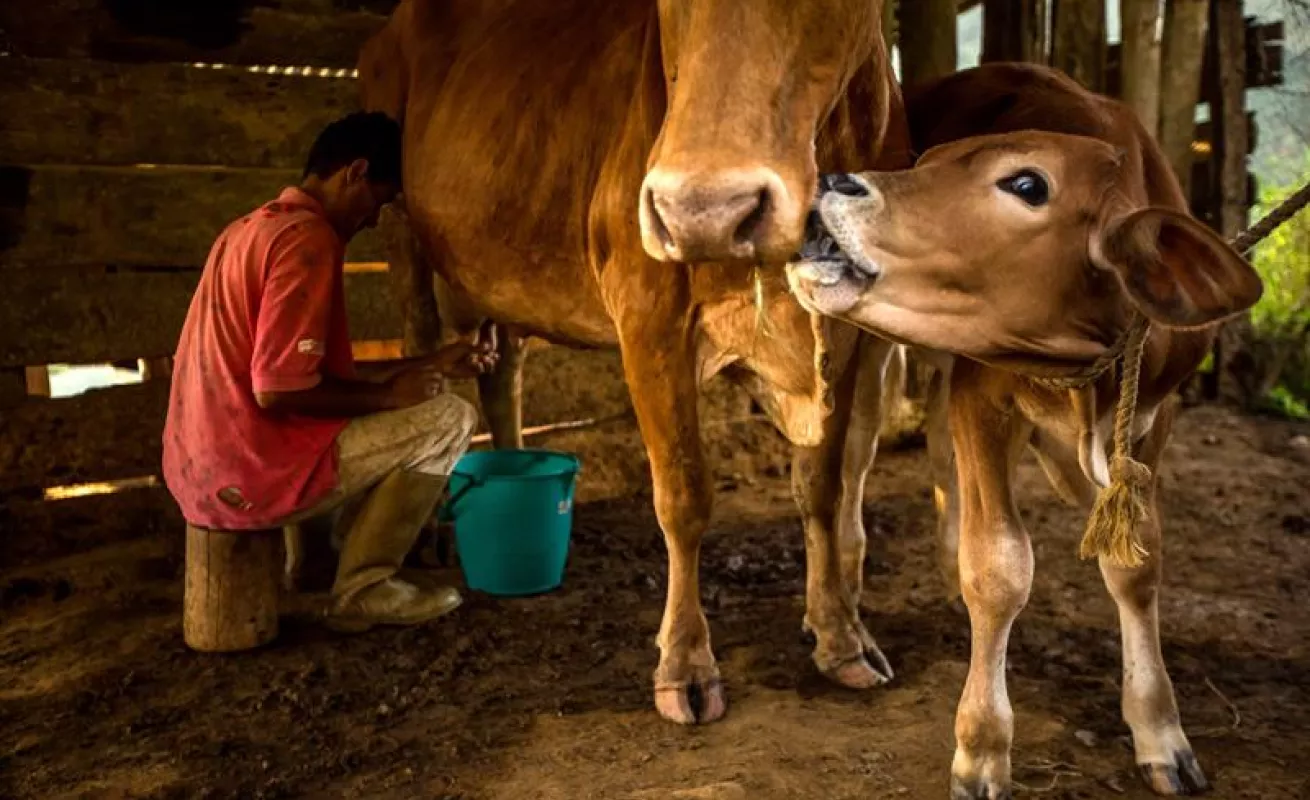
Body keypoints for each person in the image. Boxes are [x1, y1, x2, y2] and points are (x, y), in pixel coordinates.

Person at [162, 111, 496, 632]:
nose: (372, 221)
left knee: (350, 411)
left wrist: (427, 363)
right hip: (249, 474)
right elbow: (278, 391)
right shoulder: (308, 239)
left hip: (201, 468)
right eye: (379, 201)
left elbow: (304, 372)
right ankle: (366, 587)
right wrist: (388, 397)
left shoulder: (248, 229)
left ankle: (313, 564)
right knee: (450, 419)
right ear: (355, 172)